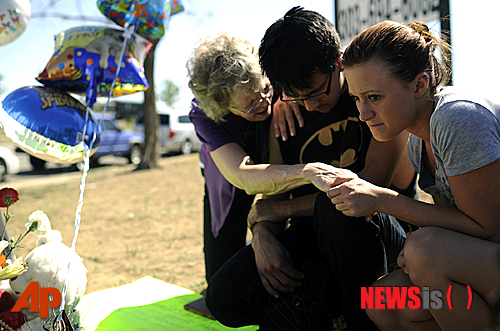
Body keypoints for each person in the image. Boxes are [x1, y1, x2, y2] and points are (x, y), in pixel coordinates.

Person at [205, 7, 418, 331]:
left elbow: (364, 192)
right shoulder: (283, 111)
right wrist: (262, 235)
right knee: (224, 296)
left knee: (339, 211)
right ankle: (323, 306)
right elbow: (270, 199)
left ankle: (361, 319)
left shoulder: (373, 98)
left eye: (317, 92)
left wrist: (282, 209)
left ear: (339, 62)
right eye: (295, 97)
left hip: (377, 230)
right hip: (315, 239)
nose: (309, 105)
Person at [318, 20, 500, 330]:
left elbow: (487, 228)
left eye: (374, 97)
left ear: (419, 85)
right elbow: (458, 227)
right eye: (357, 99)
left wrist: (380, 199)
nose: (363, 114)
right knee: (382, 301)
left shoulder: (455, 118)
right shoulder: (418, 141)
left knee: (423, 251)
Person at [186, 33, 351, 284]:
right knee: (219, 273)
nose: (264, 103)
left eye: (264, 90)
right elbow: (244, 177)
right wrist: (306, 172)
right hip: (229, 177)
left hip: (279, 164)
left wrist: (285, 93)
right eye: (251, 105)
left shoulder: (273, 79)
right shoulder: (206, 114)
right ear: (223, 108)